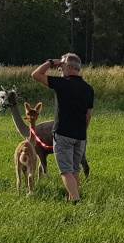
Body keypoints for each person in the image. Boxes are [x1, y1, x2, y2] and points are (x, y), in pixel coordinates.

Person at [31, 53, 94, 203]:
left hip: (63, 134)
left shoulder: (62, 83)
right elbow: (88, 115)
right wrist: (82, 131)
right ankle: (74, 197)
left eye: (61, 67)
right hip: (80, 136)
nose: (59, 69)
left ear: (68, 67)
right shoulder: (88, 89)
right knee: (74, 170)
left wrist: (51, 62)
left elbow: (35, 74)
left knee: (65, 171)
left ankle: (76, 201)